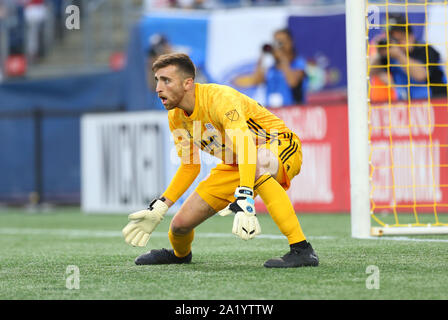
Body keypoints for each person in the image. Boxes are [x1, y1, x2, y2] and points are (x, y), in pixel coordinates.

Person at [122, 53, 319, 268]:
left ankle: (302, 249)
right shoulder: (176, 117)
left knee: (259, 164)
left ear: (188, 83)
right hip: (236, 163)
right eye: (157, 80)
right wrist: (161, 206)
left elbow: (246, 146)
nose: (158, 87)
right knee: (180, 226)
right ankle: (180, 255)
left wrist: (244, 195)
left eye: (166, 80)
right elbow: (190, 166)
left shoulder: (220, 99)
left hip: (278, 145)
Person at [371, 14, 447, 100]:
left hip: (436, 102)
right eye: (391, 37)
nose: (396, 41)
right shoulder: (391, 54)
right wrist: (379, 52)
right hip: (407, 104)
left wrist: (399, 56)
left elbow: (421, 76)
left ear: (410, 36)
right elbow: (368, 72)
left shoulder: (426, 49)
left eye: (399, 37)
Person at [233, 28, 307, 107]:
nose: (279, 46)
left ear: (290, 42)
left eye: (281, 42)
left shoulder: (298, 63)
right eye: (276, 42)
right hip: (272, 113)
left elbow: (293, 82)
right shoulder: (272, 69)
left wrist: (282, 58)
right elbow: (256, 81)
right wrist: (262, 57)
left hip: (292, 111)